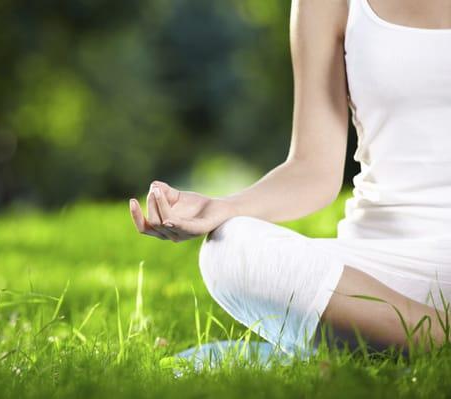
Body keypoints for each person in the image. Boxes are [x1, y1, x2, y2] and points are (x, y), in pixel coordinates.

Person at [128, 0, 451, 359]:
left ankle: (395, 346)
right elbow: (313, 168)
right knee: (229, 248)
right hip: (373, 277)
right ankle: (423, 340)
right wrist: (221, 208)